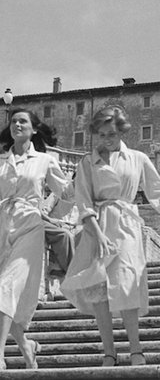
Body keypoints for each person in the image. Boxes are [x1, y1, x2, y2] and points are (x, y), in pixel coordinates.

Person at [61, 106, 160, 367]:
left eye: (112, 134)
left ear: (121, 132)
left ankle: (136, 349)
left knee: (127, 283)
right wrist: (97, 234)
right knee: (99, 292)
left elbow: (158, 193)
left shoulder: (137, 158)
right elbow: (84, 203)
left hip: (127, 224)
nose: (107, 140)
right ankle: (109, 352)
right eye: (102, 134)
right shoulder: (87, 162)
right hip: (97, 227)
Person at [0, 108, 73, 370]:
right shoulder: (0, 161)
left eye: (23, 121)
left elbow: (68, 194)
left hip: (30, 227)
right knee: (6, 294)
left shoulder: (45, 160)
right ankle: (26, 346)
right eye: (13, 121)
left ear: (33, 129)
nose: (17, 124)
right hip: (2, 227)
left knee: (5, 286)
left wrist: (53, 216)